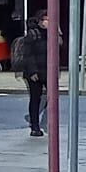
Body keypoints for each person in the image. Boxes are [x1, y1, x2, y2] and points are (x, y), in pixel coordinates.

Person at [18, 9, 49, 137]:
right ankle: (35, 125)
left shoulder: (51, 34)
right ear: (40, 21)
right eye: (46, 20)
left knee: (50, 98)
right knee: (35, 98)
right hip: (35, 72)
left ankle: (42, 121)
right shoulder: (32, 34)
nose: (48, 22)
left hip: (48, 70)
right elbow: (28, 55)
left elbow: (59, 47)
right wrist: (32, 71)